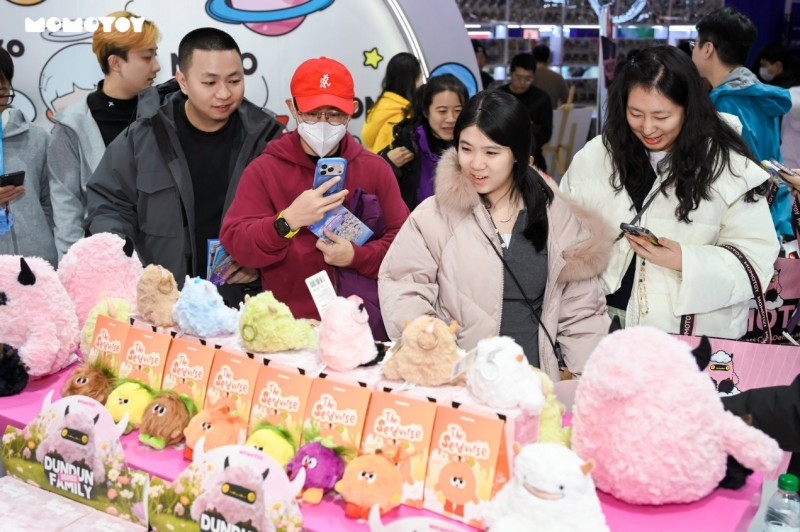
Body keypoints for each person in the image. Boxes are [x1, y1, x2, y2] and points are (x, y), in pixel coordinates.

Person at [378, 90, 612, 381]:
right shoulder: (435, 215)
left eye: (491, 152)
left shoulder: (555, 217)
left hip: (532, 386)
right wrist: (432, 350)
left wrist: (589, 383)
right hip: (458, 384)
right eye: (466, 149)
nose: (476, 164)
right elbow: (403, 286)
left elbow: (582, 313)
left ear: (517, 154)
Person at [561, 46, 779, 339]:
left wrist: (685, 260)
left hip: (686, 337)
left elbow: (756, 261)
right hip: (597, 325)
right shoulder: (596, 156)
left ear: (688, 109)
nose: (648, 127)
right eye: (636, 114)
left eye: (662, 116)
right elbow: (562, 232)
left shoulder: (727, 167)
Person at [84, 27, 283, 305]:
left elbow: (291, 219)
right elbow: (107, 205)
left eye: (234, 80)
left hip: (242, 305)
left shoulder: (267, 140)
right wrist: (131, 265)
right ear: (183, 81)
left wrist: (262, 265)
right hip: (164, 304)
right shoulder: (145, 136)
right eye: (210, 82)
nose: (224, 93)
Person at [220, 57, 410, 340]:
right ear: (293, 108)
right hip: (289, 329)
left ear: (352, 110)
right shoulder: (265, 169)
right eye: (312, 113)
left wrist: (356, 256)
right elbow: (237, 242)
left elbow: (406, 246)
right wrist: (286, 222)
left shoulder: (375, 169)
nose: (323, 123)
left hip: (363, 330)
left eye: (334, 114)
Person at [48, 11, 160, 261]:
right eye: (147, 57)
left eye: (155, 54)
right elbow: (67, 209)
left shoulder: (164, 113)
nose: (156, 66)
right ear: (116, 63)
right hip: (105, 262)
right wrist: (75, 268)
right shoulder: (71, 125)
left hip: (165, 258)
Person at [692, 7, 793, 241]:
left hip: (743, 224)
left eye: (694, 44)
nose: (692, 51)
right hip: (773, 213)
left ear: (708, 49)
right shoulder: (758, 95)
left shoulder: (724, 103)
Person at [380, 74, 468, 210]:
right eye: (442, 111)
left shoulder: (473, 147)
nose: (451, 119)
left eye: (458, 110)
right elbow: (371, 180)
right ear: (426, 112)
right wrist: (388, 164)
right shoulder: (407, 144)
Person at [0, 49, 55, 265]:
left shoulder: (37, 137)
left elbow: (51, 200)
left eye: (2, 91)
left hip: (37, 265)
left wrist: (43, 241)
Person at [498, 53, 552, 172]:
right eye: (518, 77)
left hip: (533, 160)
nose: (522, 82)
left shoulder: (542, 99)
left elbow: (546, 133)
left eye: (528, 79)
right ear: (511, 73)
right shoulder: (499, 97)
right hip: (500, 159)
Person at [361, 52, 421, 154]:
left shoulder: (379, 107)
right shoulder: (403, 118)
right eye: (420, 77)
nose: (422, 82)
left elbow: (367, 139)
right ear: (412, 81)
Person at [532, 44, 569, 109]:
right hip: (551, 113)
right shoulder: (557, 77)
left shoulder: (528, 76)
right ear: (548, 58)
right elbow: (567, 100)